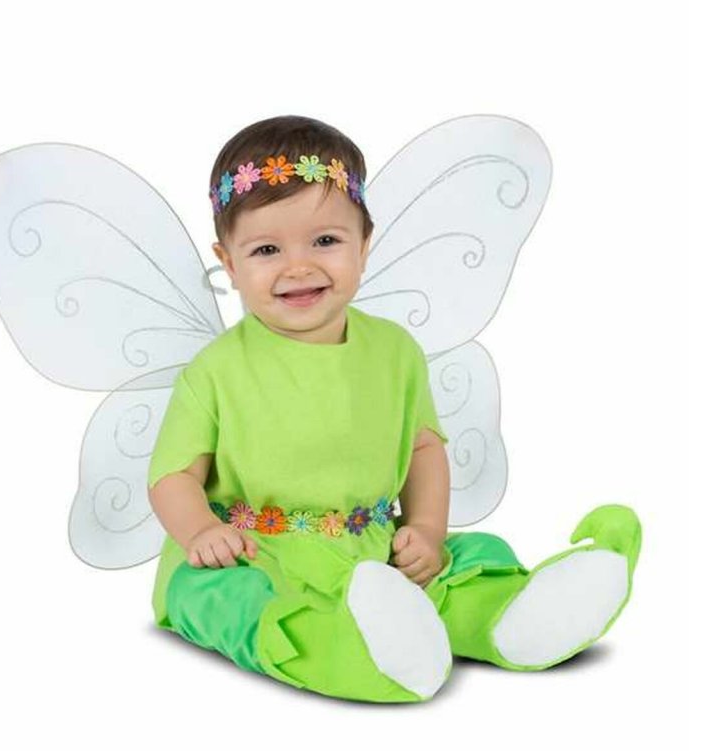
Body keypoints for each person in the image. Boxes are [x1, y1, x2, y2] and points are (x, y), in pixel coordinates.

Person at [146, 115, 641, 703]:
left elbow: (423, 447)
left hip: (372, 545)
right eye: (267, 249)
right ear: (229, 263)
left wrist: (426, 531)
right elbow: (173, 475)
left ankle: (508, 616)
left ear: (364, 245)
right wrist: (202, 531)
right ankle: (340, 644)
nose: (298, 267)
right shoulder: (217, 370)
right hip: (257, 552)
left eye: (325, 241)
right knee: (224, 600)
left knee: (453, 562)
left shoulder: (395, 352)